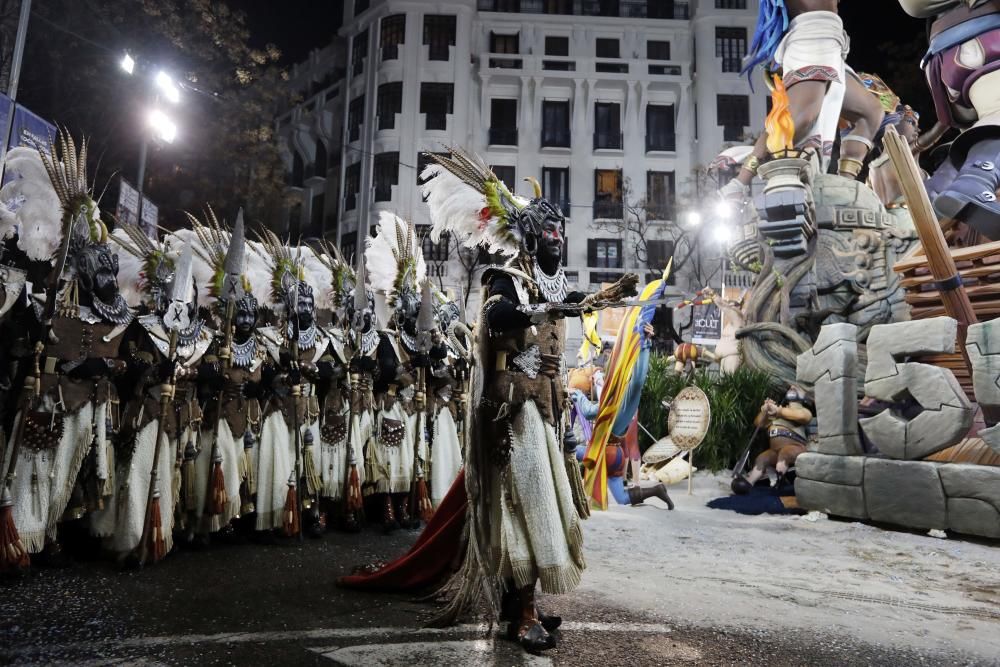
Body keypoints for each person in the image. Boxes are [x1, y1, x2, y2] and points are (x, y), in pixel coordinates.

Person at [341, 151, 637, 654]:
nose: (557, 239)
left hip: (545, 410)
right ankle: (519, 614)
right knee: (526, 509)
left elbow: (557, 336)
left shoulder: (555, 282)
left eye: (560, 232)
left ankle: (524, 604)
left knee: (549, 507)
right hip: (511, 415)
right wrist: (559, 306)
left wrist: (594, 303)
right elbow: (498, 319)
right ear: (528, 236)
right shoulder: (506, 278)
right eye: (548, 232)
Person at [732, 385, 813, 494]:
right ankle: (749, 482)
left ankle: (780, 482)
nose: (792, 387)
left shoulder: (803, 411)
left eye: (797, 387)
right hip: (775, 451)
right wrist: (764, 411)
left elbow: (802, 417)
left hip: (796, 448)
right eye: (790, 387)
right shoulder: (776, 413)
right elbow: (758, 424)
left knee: (785, 453)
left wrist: (779, 411)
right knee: (762, 458)